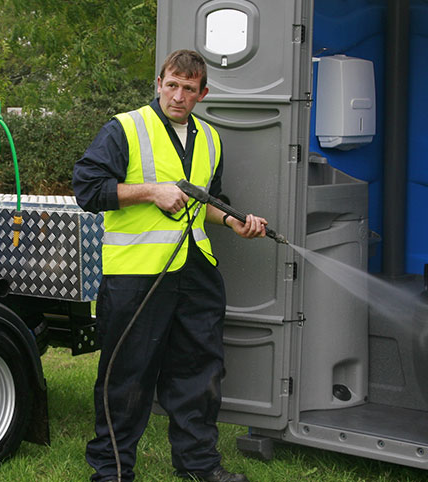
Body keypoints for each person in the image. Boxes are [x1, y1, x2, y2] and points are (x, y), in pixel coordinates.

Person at [73, 49, 267, 482]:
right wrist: (151, 192)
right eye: (172, 84)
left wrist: (233, 219)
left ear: (203, 93)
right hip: (137, 273)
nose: (178, 96)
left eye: (189, 89)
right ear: (159, 83)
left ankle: (199, 465)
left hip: (196, 273)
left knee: (199, 372)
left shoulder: (211, 139)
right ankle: (113, 470)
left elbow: (208, 201)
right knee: (128, 374)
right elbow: (87, 189)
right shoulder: (124, 128)